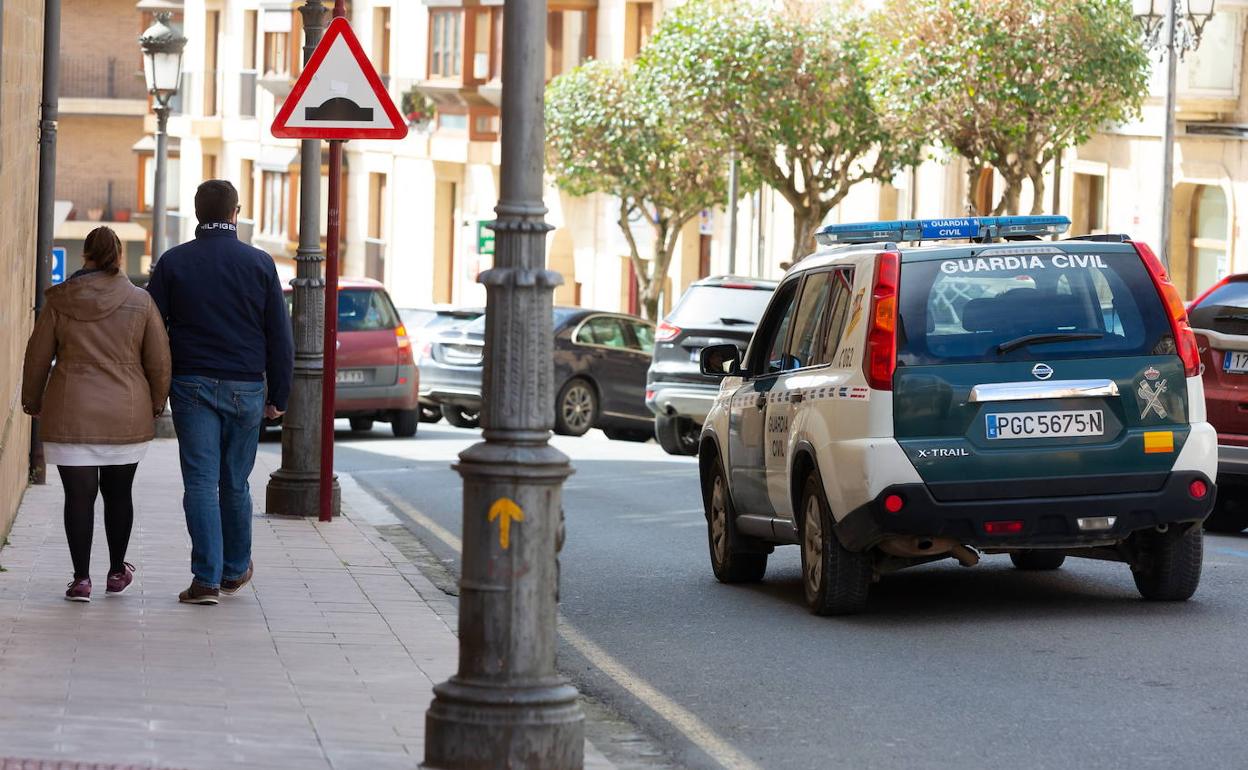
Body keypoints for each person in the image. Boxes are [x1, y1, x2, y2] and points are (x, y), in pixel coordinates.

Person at [147, 179, 294, 605]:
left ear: (196, 213)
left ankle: (205, 580)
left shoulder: (174, 263)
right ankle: (234, 570)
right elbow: (278, 336)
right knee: (235, 482)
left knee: (199, 483)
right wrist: (279, 396)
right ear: (236, 213)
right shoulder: (260, 263)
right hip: (246, 386)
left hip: (190, 383)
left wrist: (154, 389)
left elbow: (153, 330)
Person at [22, 226, 171, 602]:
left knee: (78, 496)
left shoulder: (60, 301)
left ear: (85, 256)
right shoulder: (141, 301)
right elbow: (159, 360)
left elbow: (38, 355)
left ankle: (81, 579)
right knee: (119, 494)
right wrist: (156, 403)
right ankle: (117, 571)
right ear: (119, 256)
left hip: (71, 410)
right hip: (125, 411)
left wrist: (31, 399)